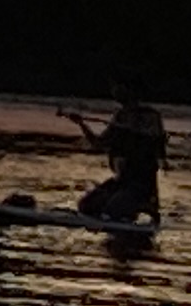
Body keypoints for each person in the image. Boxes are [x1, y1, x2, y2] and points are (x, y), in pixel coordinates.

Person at [66, 86, 172, 223]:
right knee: (86, 206)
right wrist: (82, 124)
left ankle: (140, 206)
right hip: (123, 180)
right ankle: (128, 208)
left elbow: (159, 150)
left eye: (119, 88)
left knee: (112, 212)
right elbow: (99, 143)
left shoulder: (149, 116)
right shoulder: (122, 117)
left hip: (141, 184)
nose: (115, 92)